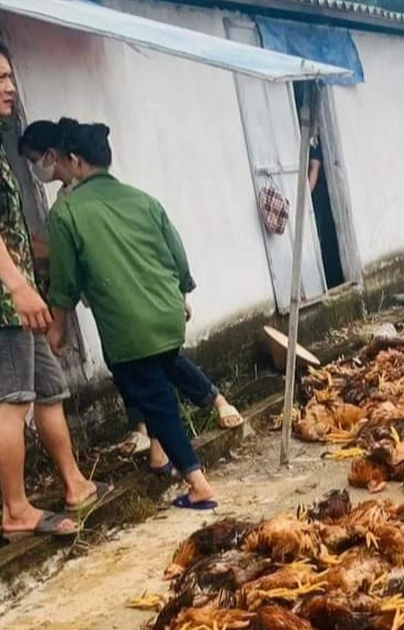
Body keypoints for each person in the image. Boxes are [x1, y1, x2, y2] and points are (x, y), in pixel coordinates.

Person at [19, 121, 245, 476]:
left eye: (48, 160)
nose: (44, 168)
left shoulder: (67, 211)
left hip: (124, 316)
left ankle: (194, 477)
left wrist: (57, 325)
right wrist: (179, 294)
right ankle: (164, 444)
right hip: (162, 308)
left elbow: (65, 281)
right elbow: (178, 256)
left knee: (151, 390)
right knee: (158, 371)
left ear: (70, 159)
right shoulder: (141, 198)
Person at [0, 40, 108, 539]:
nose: (10, 87)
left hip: (24, 300)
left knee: (49, 392)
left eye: (11, 77)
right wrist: (17, 286)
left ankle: (75, 483)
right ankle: (16, 510)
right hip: (4, 303)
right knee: (12, 399)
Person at [307, 133, 344, 289]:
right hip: (317, 200)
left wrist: (304, 198)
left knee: (321, 239)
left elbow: (315, 168)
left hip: (319, 200)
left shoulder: (313, 143)